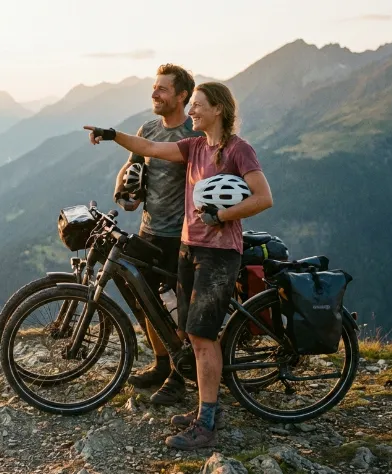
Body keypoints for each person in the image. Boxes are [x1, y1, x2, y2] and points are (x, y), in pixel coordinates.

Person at [83, 82, 273, 449]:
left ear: (218, 109)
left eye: (198, 106)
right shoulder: (195, 146)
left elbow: (264, 197)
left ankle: (206, 424)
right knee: (192, 332)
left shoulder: (238, 149)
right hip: (189, 249)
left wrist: (224, 214)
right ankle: (206, 407)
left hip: (219, 255)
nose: (191, 113)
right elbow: (150, 147)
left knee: (202, 337)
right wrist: (112, 135)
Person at [113, 63, 203, 405]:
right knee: (148, 302)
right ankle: (163, 365)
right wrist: (124, 193)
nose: (155, 93)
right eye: (154, 87)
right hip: (148, 231)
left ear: (182, 96)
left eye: (162, 88)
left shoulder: (194, 135)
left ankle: (180, 379)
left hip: (182, 237)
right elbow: (130, 168)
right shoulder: (148, 127)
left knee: (179, 307)